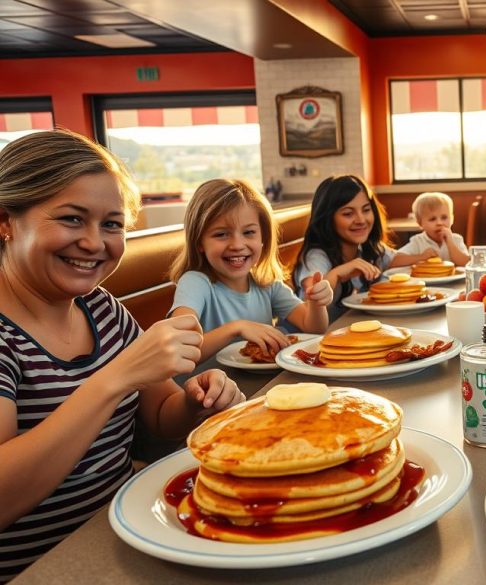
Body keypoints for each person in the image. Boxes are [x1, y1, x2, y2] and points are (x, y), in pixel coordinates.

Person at [0, 130, 244, 580]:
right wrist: (113, 379)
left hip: (125, 539)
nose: (95, 243)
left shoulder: (100, 307)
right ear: (6, 220)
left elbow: (159, 418)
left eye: (112, 224)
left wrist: (196, 400)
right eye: (73, 219)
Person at [168, 179, 333, 363]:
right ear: (199, 242)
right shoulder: (195, 282)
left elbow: (314, 327)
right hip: (206, 390)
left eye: (249, 233)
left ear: (264, 237)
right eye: (221, 234)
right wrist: (236, 328)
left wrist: (317, 303)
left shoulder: (266, 284)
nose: (237, 245)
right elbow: (180, 346)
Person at [293, 175, 412, 322]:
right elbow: (311, 292)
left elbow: (394, 259)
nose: (361, 220)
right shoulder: (315, 256)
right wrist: (337, 273)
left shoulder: (366, 248)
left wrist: (428, 254)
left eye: (366, 210)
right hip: (305, 338)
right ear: (328, 218)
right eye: (348, 214)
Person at [397, 191, 470, 266]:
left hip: (455, 277)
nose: (439, 223)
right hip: (426, 277)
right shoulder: (417, 241)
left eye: (444, 217)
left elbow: (467, 263)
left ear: (452, 219)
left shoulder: (456, 239)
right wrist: (421, 257)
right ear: (420, 223)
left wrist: (450, 243)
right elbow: (396, 260)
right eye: (432, 219)